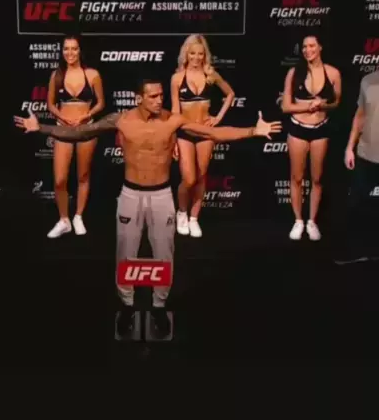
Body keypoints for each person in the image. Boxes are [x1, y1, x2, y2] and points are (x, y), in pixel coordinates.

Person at [14, 78, 282, 338]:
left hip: (162, 195)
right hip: (130, 195)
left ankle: (159, 306)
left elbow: (213, 133)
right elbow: (79, 132)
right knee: (126, 254)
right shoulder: (121, 120)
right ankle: (127, 305)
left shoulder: (172, 121)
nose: (159, 100)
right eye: (153, 96)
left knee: (164, 253)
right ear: (138, 98)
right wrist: (42, 128)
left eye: (161, 95)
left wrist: (252, 131)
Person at [171, 34, 235, 237]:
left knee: (201, 176)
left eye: (200, 54)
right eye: (193, 53)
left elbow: (230, 94)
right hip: (185, 132)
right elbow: (174, 112)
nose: (197, 58)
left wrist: (218, 118)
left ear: (204, 55)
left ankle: (194, 218)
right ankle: (182, 212)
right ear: (186, 54)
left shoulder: (211, 75)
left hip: (206, 133)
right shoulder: (177, 78)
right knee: (189, 178)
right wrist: (172, 140)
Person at [281, 34, 341, 241]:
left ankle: (312, 222)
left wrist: (323, 105)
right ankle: (298, 221)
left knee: (317, 178)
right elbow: (286, 106)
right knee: (297, 178)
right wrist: (308, 107)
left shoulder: (333, 73)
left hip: (320, 130)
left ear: (320, 47)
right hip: (298, 129)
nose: (308, 50)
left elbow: (336, 103)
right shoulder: (294, 73)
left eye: (312, 46)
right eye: (305, 47)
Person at [45, 34, 105, 238]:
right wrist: (62, 117)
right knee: (60, 179)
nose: (70, 53)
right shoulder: (56, 75)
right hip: (63, 129)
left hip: (86, 129)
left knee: (83, 176)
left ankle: (78, 216)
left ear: (80, 51)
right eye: (66, 49)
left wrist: (86, 116)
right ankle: (64, 220)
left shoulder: (92, 74)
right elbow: (50, 104)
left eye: (74, 48)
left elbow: (101, 103)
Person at [335, 69, 379, 263]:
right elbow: (360, 115)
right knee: (355, 205)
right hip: (366, 153)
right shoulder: (367, 80)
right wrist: (349, 148)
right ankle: (355, 251)